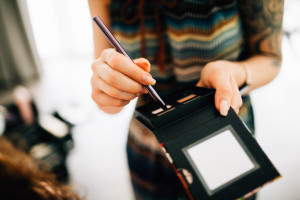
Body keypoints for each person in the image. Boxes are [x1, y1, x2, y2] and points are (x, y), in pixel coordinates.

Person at [88, 0, 283, 199]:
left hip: (224, 142)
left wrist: (234, 73)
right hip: (149, 154)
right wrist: (107, 88)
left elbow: (270, 58)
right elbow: (108, 106)